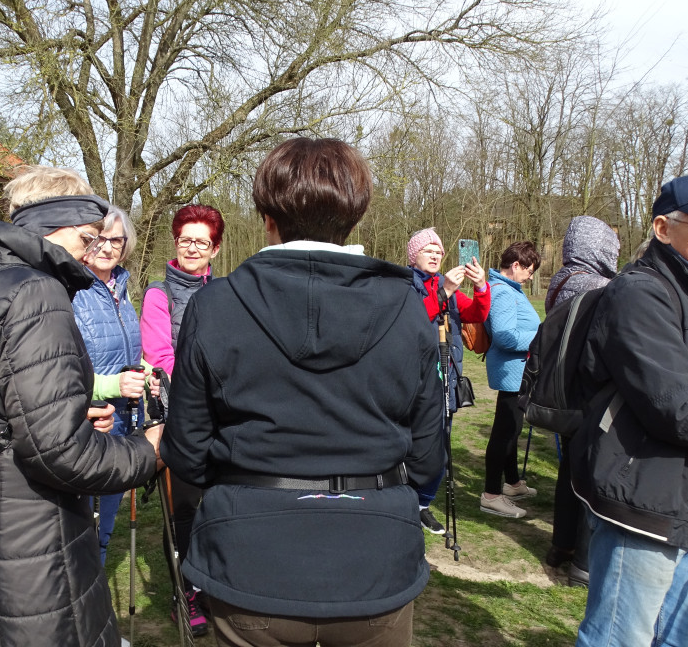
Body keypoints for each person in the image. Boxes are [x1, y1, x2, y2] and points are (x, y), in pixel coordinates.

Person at [160, 138, 444, 647]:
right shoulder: (407, 306)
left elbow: (186, 449)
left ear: (267, 217)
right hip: (369, 553)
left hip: (252, 551)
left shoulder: (216, 305)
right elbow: (427, 454)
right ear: (354, 219)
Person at [0, 166, 163, 647]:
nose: (93, 249)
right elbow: (58, 453)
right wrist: (146, 450)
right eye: (88, 236)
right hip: (25, 552)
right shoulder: (37, 292)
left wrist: (71, 412)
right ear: (57, 225)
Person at [571, 173, 688, 647]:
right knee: (618, 639)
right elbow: (680, 411)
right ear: (662, 228)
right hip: (646, 509)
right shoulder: (642, 293)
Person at [140, 202, 224, 636]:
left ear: (215, 249)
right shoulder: (159, 293)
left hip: (224, 416)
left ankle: (219, 582)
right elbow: (161, 357)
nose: (192, 248)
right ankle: (185, 590)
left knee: (224, 504)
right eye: (185, 239)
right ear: (175, 243)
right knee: (186, 509)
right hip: (182, 415)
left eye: (202, 242)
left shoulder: (226, 291)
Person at [71, 204, 157, 565]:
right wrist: (112, 385)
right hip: (86, 424)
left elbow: (125, 351)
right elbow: (57, 371)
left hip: (121, 425)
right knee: (79, 530)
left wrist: (147, 371)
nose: (107, 248)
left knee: (105, 525)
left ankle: (95, 606)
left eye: (116, 241)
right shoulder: (71, 290)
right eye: (100, 239)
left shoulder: (121, 290)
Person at [543, 216, 620, 587]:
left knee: (568, 473)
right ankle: (585, 566)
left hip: (564, 391)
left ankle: (561, 547)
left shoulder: (561, 282)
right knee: (592, 479)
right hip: (592, 396)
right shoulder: (601, 287)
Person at [406, 227, 489, 534]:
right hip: (416, 379)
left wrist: (480, 285)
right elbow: (411, 322)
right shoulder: (405, 284)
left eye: (439, 252)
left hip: (445, 380)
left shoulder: (445, 284)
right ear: (414, 255)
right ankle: (403, 500)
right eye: (429, 250)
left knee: (439, 448)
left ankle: (422, 505)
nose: (436, 255)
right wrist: (444, 294)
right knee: (412, 444)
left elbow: (478, 313)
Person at [480, 240, 541, 519]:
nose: (530, 277)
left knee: (512, 429)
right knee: (504, 431)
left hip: (518, 371)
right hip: (511, 371)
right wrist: (540, 340)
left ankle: (513, 483)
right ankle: (491, 495)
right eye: (529, 270)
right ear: (516, 265)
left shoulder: (509, 290)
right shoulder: (504, 292)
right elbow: (504, 336)